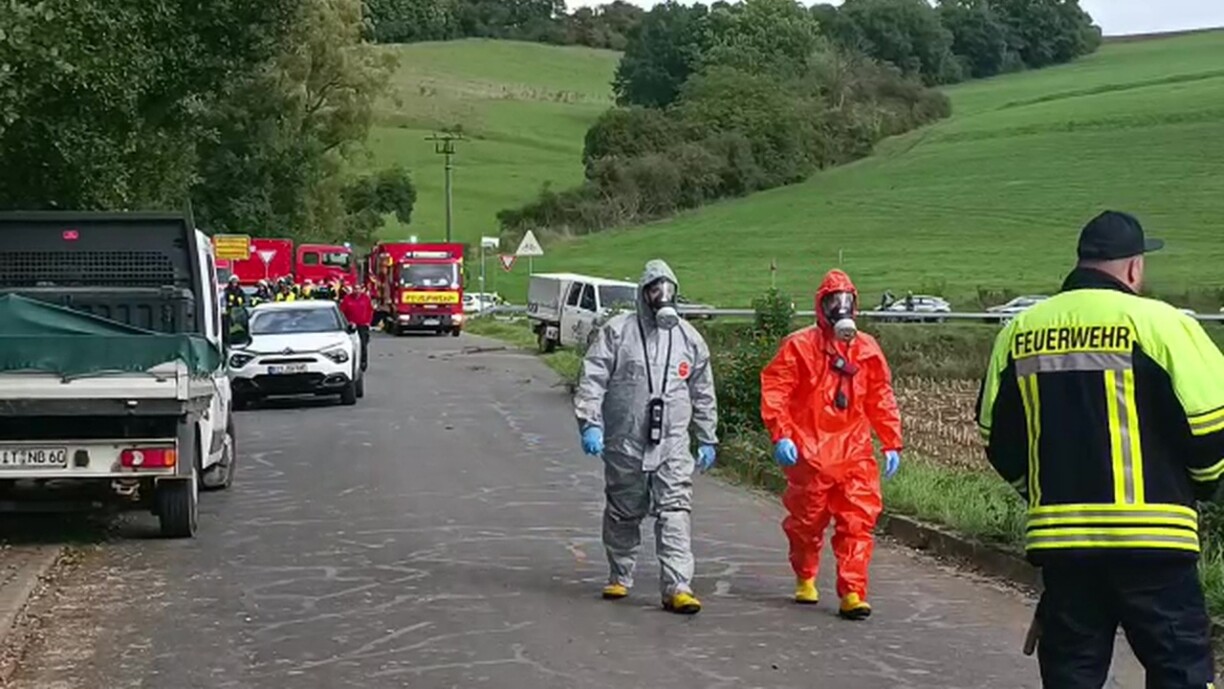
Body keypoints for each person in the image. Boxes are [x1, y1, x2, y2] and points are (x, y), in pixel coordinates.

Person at [976, 210, 1224, 688]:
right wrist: (1202, 486)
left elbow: (997, 439)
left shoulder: (1019, 332)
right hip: (1157, 545)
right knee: (1181, 674)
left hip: (1064, 546)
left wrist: (1039, 491)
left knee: (1072, 676)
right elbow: (1212, 426)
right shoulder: (1163, 325)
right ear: (1134, 267)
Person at [574, 259, 718, 615]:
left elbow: (702, 391)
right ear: (644, 293)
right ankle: (620, 574)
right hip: (625, 440)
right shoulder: (618, 332)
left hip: (672, 442)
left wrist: (707, 436)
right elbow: (593, 378)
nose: (661, 296)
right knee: (623, 510)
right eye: (655, 289)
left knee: (675, 511)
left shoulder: (688, 338)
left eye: (667, 289)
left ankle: (678, 586)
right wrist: (590, 422)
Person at [760, 269, 903, 619]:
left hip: (854, 452)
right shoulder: (799, 346)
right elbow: (777, 391)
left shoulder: (867, 349)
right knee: (806, 523)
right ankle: (805, 575)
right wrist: (782, 434)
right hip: (810, 452)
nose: (840, 308)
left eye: (846, 301)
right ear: (821, 306)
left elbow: (880, 396)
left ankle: (853, 591)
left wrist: (891, 441)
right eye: (833, 301)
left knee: (858, 521)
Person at [340, 283, 374, 371]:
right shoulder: (347, 299)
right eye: (355, 289)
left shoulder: (365, 298)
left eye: (358, 289)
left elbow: (370, 310)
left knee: (363, 345)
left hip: (363, 325)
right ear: (352, 289)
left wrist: (368, 322)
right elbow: (342, 312)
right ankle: (351, 363)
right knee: (351, 345)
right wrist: (348, 322)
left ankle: (363, 362)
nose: (357, 291)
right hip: (351, 326)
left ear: (361, 290)